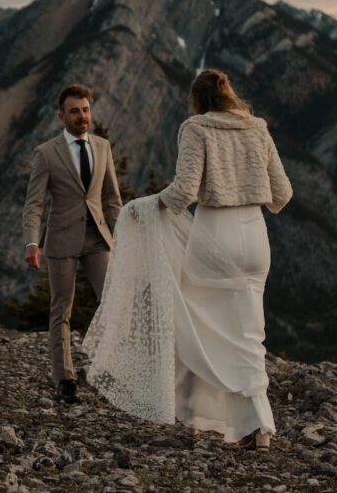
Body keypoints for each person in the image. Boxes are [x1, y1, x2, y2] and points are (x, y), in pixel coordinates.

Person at [83, 68, 292, 449]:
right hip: (256, 239)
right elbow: (282, 194)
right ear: (229, 95)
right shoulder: (257, 127)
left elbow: (183, 194)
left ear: (197, 99)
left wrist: (142, 207)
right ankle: (257, 426)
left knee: (193, 327)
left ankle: (194, 415)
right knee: (248, 334)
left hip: (215, 236)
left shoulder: (196, 128)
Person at [22, 84, 123, 404]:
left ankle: (110, 371)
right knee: (61, 309)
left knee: (112, 302)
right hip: (62, 239)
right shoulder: (46, 153)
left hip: (97, 238)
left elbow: (111, 199)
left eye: (86, 110)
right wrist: (31, 242)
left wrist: (122, 237)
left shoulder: (103, 146)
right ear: (61, 116)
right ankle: (65, 378)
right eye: (76, 111)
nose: (83, 116)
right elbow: (34, 204)